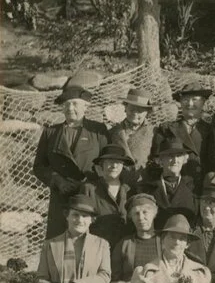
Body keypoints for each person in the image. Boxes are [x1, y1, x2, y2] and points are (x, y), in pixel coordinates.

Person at [33, 85, 109, 238]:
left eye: (75, 103)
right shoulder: (51, 132)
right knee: (58, 242)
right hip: (61, 197)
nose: (70, 108)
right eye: (66, 104)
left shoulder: (98, 130)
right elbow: (39, 166)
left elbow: (106, 162)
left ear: (85, 106)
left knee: (89, 241)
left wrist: (88, 183)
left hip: (89, 194)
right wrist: (57, 180)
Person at [152, 81, 213, 181]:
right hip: (175, 186)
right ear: (180, 103)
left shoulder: (211, 130)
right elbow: (156, 161)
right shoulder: (166, 129)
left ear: (203, 103)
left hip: (202, 186)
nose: (190, 104)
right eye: (185, 99)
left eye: (194, 99)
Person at [136, 138, 197, 227]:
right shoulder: (146, 187)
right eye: (170, 156)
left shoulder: (193, 186)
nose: (175, 160)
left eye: (179, 155)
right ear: (160, 160)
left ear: (184, 160)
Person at [81, 144, 134, 247]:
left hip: (125, 248)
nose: (114, 166)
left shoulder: (130, 190)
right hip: (98, 246)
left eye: (118, 162)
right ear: (102, 165)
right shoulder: (89, 189)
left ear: (123, 165)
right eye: (110, 161)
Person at [109, 87, 155, 187]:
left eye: (140, 110)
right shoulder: (113, 132)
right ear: (125, 108)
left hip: (143, 183)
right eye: (132, 109)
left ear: (147, 112)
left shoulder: (154, 132)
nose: (135, 113)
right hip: (118, 184)